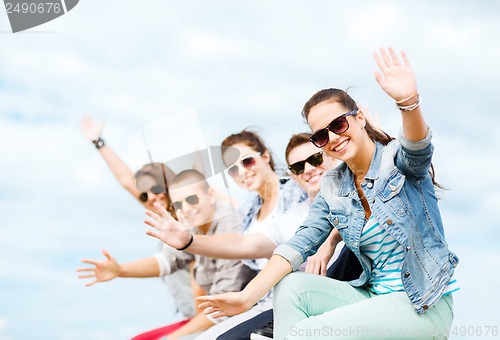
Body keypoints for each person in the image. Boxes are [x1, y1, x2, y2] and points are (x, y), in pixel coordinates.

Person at [195, 47, 459, 339]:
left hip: (421, 305)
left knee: (308, 333)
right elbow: (298, 244)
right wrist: (246, 297)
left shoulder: (396, 163)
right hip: (372, 299)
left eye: (338, 124)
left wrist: (408, 102)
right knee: (291, 285)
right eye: (321, 135)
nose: (333, 137)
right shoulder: (334, 186)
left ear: (359, 119)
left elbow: (418, 146)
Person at [145, 133, 362, 339]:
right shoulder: (253, 213)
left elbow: (356, 190)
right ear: (293, 174)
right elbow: (244, 243)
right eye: (232, 170)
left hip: (315, 287)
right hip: (271, 296)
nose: (308, 170)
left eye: (247, 161)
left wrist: (332, 240)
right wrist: (188, 241)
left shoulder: (300, 193)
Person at [79, 169, 257, 340]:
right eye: (179, 204)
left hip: (245, 314)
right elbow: (167, 260)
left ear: (211, 195)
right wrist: (119, 270)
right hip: (214, 315)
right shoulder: (192, 225)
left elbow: (222, 307)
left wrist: (171, 338)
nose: (186, 209)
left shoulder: (232, 227)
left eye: (192, 199)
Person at [80, 117, 204, 320]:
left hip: (206, 316)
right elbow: (127, 181)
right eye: (145, 195)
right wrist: (98, 142)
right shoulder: (162, 216)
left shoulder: (188, 218)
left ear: (169, 184)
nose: (152, 197)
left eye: (156, 189)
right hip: (190, 315)